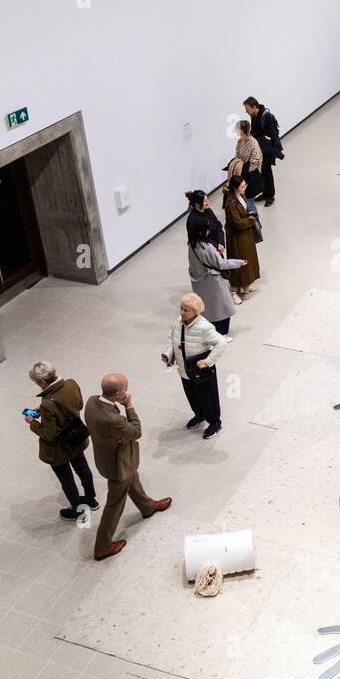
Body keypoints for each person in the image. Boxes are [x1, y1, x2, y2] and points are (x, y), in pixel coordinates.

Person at [84, 373, 171, 561]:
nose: (127, 391)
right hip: (118, 464)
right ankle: (102, 546)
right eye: (125, 389)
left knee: (133, 479)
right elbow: (136, 431)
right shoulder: (113, 419)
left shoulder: (91, 402)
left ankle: (147, 507)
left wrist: (116, 436)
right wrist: (129, 406)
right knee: (114, 504)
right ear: (117, 394)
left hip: (110, 456)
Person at [26, 362, 99, 521]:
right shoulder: (71, 384)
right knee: (83, 468)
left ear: (42, 382)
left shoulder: (47, 404)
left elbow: (49, 434)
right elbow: (78, 405)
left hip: (59, 449)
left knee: (66, 478)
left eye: (36, 382)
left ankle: (78, 511)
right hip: (76, 438)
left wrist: (32, 422)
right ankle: (91, 500)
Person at [162, 293, 227, 440]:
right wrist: (170, 354)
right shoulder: (178, 322)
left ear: (196, 312)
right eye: (181, 308)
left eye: (186, 310)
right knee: (192, 395)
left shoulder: (204, 327)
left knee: (208, 397)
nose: (182, 312)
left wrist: (208, 361)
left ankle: (215, 422)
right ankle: (200, 414)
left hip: (201, 370)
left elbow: (221, 343)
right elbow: (172, 338)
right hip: (184, 369)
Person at [187, 219, 244, 334]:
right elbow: (221, 264)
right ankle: (222, 334)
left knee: (208, 310)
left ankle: (213, 334)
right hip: (213, 282)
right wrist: (239, 262)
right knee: (223, 308)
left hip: (200, 282)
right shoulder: (207, 247)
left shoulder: (192, 244)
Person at [223, 175, 261, 297]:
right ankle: (239, 287)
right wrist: (250, 221)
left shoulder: (241, 196)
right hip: (237, 237)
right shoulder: (230, 203)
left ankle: (246, 285)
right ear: (235, 188)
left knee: (248, 259)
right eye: (242, 186)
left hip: (245, 234)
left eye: (245, 185)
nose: (245, 188)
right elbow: (237, 222)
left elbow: (244, 211)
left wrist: (249, 213)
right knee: (241, 261)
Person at [243, 96, 282, 207]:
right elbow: (256, 131)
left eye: (247, 109)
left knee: (267, 171)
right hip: (260, 147)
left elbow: (273, 135)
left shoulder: (267, 117)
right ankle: (265, 193)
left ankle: (270, 195)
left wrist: (273, 151)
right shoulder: (253, 116)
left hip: (267, 147)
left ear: (254, 107)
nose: (246, 111)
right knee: (262, 171)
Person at [230, 119, 263, 213]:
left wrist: (242, 169)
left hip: (250, 178)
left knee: (249, 201)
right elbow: (237, 155)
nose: (235, 131)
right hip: (242, 176)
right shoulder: (240, 141)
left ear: (241, 130)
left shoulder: (253, 143)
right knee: (246, 201)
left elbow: (256, 162)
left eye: (236, 129)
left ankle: (256, 224)